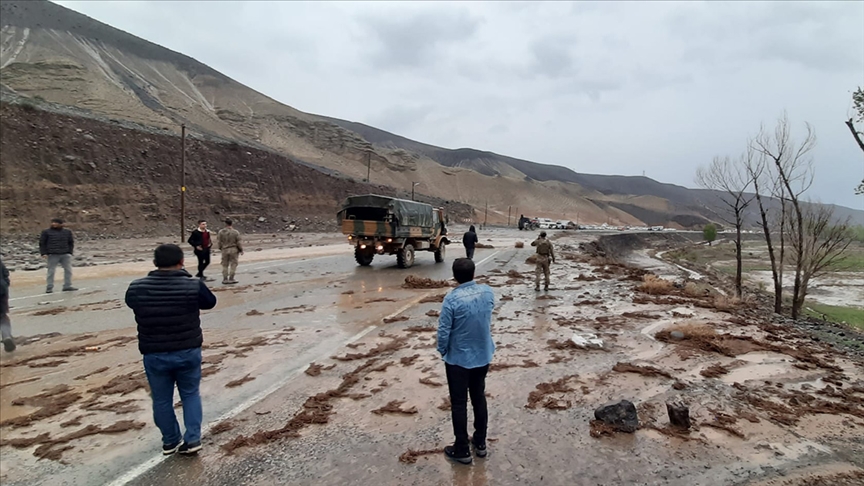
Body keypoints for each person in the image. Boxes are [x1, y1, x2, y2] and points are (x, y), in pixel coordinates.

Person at [125, 244, 217, 456]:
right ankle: (192, 439)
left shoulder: (137, 287)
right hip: (187, 349)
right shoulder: (192, 285)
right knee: (190, 394)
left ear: (155, 263)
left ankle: (170, 440)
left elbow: (131, 303)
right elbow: (210, 303)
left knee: (161, 399)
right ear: (181, 262)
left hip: (154, 352)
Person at [437, 258, 496, 465]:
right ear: (473, 274)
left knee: (459, 403)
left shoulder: (451, 299)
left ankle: (461, 448)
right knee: (479, 396)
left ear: (454, 276)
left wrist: (443, 350)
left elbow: (444, 331)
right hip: (482, 355)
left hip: (458, 359)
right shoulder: (487, 292)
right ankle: (480, 442)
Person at [40, 218, 77, 293]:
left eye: (56, 223)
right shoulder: (46, 232)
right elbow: (42, 243)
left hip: (65, 254)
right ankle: (49, 287)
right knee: (51, 271)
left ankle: (67, 285)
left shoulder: (67, 232)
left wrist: (70, 252)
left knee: (68, 270)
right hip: (52, 254)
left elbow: (70, 242)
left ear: (61, 224)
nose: (54, 224)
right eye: (53, 222)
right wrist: (44, 253)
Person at [217, 219, 243, 285]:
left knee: (224, 265)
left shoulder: (221, 232)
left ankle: (225, 279)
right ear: (231, 224)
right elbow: (239, 242)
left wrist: (221, 248)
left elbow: (219, 242)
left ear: (225, 224)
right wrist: (241, 250)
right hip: (233, 249)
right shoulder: (235, 232)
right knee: (233, 264)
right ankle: (231, 278)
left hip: (224, 249)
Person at [0, 258, 14, 352]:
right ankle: (6, 336)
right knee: (2, 316)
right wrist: (5, 283)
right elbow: (5, 272)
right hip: (1, 291)